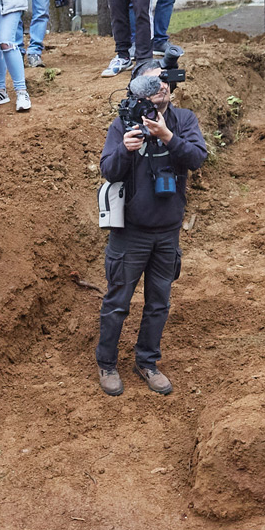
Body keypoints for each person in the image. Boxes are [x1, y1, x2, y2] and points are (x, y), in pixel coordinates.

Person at [96, 64, 207, 396]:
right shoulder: (124, 121)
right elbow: (108, 169)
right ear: (137, 88)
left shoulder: (183, 120)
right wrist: (125, 150)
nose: (162, 85)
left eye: (165, 80)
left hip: (167, 231)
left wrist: (166, 136)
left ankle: (147, 362)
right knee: (118, 301)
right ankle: (107, 364)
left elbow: (197, 158)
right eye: (153, 80)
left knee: (159, 302)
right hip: (130, 231)